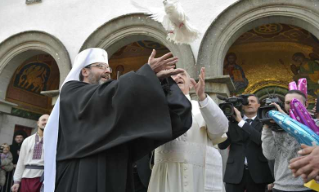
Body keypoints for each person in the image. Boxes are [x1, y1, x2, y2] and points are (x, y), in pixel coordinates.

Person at [44, 48, 192, 192]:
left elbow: (129, 105)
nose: (108, 71)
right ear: (84, 71)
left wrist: (159, 82)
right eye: (101, 66)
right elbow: (105, 96)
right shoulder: (71, 91)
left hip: (116, 170)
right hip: (82, 172)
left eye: (108, 67)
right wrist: (145, 74)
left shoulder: (111, 98)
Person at [148, 67, 229, 192]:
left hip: (198, 174)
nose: (177, 77)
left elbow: (220, 129)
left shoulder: (201, 106)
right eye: (171, 75)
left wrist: (202, 97)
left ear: (191, 84)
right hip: (166, 172)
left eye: (181, 74)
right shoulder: (156, 107)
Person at [218, 94, 273, 192]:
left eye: (252, 101)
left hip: (258, 173)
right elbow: (222, 145)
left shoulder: (263, 121)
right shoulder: (232, 122)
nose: (249, 104)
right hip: (234, 172)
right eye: (246, 102)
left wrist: (241, 122)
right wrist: (224, 123)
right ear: (242, 105)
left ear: (259, 105)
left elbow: (260, 140)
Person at [262, 90, 314, 192]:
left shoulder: (315, 124)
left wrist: (286, 120)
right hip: (281, 186)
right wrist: (266, 126)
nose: (291, 106)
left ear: (306, 104)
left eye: (295, 102)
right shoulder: (275, 127)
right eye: (287, 103)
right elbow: (270, 155)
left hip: (309, 187)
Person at [11, 114, 49, 192]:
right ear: (38, 123)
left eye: (48, 120)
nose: (46, 122)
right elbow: (21, 161)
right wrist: (16, 181)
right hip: (27, 177)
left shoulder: (55, 141)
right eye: (44, 120)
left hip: (45, 178)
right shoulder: (27, 140)